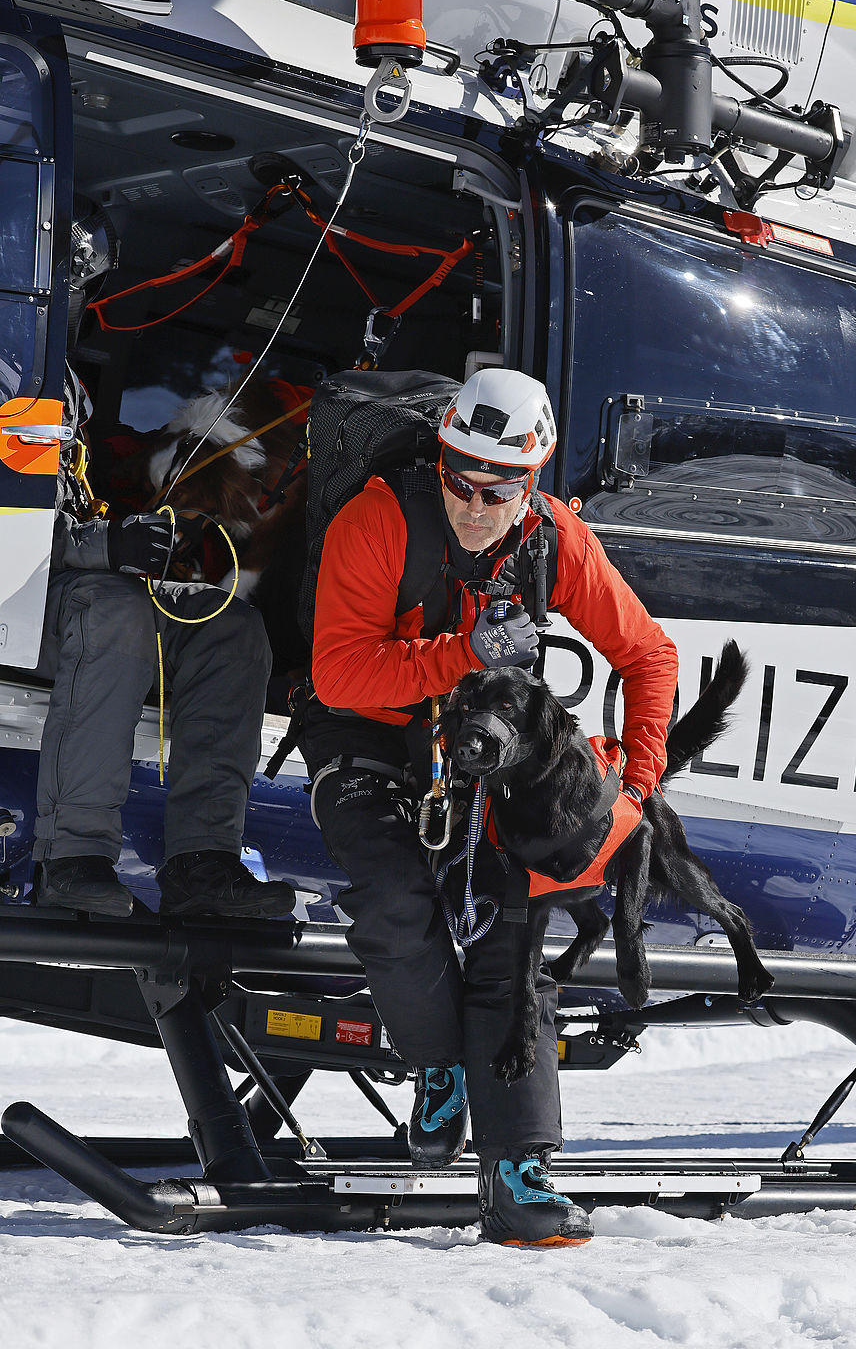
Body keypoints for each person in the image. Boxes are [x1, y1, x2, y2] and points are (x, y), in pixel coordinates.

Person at [308, 367, 678, 1247]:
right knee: (395, 898)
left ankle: (519, 1175)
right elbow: (339, 674)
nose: (475, 506)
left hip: (475, 746)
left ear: (532, 480)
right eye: (459, 481)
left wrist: (638, 782)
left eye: (498, 489)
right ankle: (438, 1065)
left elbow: (649, 655)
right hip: (365, 733)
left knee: (511, 928)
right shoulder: (377, 519)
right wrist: (463, 653)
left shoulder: (556, 540)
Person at [31, 204, 295, 921]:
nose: (72, 304)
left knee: (228, 627)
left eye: (79, 290)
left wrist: (129, 524)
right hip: (23, 601)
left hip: (74, 585)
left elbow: (82, 492)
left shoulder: (65, 387)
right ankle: (72, 856)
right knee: (115, 607)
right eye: (67, 289)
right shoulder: (12, 384)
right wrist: (103, 547)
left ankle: (203, 863)